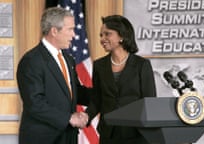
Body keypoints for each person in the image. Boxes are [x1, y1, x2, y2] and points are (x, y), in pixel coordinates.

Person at [17, 7, 90, 144]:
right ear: (54, 31)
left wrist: (102, 94)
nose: (74, 35)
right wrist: (69, 118)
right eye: (70, 29)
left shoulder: (68, 59)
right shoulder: (31, 61)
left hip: (68, 137)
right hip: (43, 139)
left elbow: (73, 93)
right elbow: (35, 103)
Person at [85, 15, 157, 144]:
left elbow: (150, 102)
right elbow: (97, 99)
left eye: (107, 34)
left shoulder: (142, 65)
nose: (102, 39)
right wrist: (85, 116)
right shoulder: (99, 65)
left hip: (136, 134)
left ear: (122, 36)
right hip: (109, 134)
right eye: (101, 35)